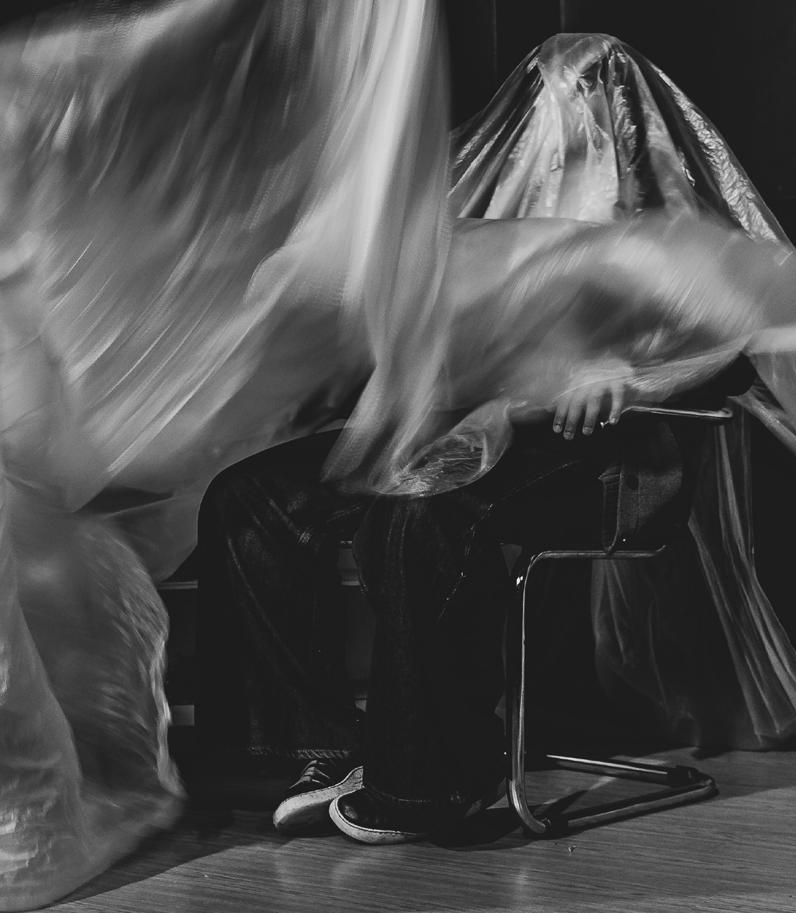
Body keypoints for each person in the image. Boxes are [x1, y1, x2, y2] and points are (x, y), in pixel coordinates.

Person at [196, 354, 754, 844]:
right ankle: (324, 745)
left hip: (592, 445)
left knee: (418, 507)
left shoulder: (662, 258)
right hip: (451, 425)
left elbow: (736, 343)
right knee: (249, 497)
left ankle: (432, 780)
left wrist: (629, 374)